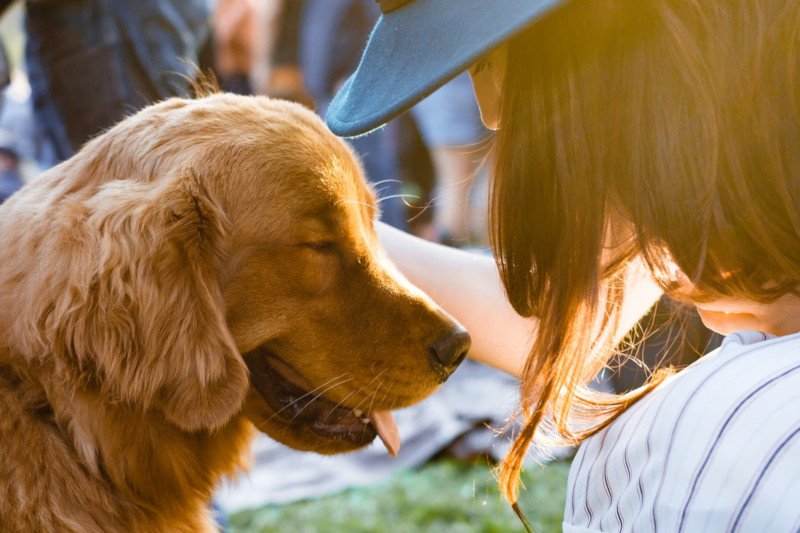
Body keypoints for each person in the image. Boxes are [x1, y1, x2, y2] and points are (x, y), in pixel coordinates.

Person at [325, 0, 800, 531]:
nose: (489, 112)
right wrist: (332, 237)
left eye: (481, 62)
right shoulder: (697, 133)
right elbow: (560, 322)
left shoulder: (720, 457)